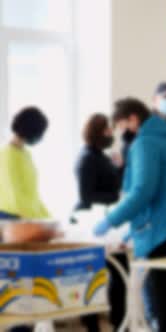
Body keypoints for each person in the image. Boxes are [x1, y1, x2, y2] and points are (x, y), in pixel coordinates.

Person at [93, 98, 166, 331]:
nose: (121, 134)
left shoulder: (145, 143)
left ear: (133, 119)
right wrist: (129, 232)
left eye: (121, 126)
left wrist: (110, 221)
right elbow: (165, 192)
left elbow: (143, 191)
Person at [0, 107, 53, 332]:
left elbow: (32, 194)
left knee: (28, 282)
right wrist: (36, 222)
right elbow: (16, 197)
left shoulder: (25, 154)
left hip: (26, 221)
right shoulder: (7, 155)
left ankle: (25, 327)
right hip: (11, 222)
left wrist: (49, 219)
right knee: (17, 282)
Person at [74, 113, 127, 332]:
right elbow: (87, 196)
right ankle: (93, 324)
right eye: (107, 130)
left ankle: (119, 322)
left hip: (107, 222)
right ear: (97, 131)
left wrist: (120, 167)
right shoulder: (86, 157)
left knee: (120, 272)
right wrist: (116, 198)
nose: (110, 134)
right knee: (93, 275)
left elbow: (114, 183)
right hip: (91, 224)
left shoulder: (102, 156)